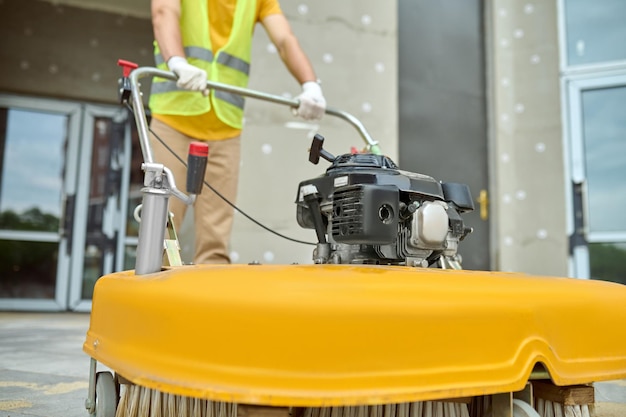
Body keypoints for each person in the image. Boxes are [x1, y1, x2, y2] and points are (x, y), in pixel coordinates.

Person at [148, 0, 326, 264]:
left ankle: (209, 302)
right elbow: (164, 12)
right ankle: (154, 300)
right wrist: (176, 62)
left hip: (225, 129)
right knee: (160, 231)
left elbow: (284, 39)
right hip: (173, 120)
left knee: (215, 245)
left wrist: (310, 84)